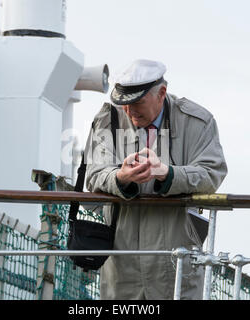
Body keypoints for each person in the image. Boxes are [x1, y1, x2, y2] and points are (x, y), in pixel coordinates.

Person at [84, 59, 228, 300]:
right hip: (121, 262)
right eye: (123, 104)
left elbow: (212, 173)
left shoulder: (198, 121)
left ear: (162, 93)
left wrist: (169, 174)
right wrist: (119, 177)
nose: (129, 112)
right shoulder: (107, 119)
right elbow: (94, 174)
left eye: (137, 103)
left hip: (175, 260)